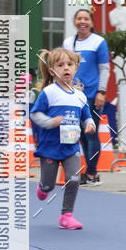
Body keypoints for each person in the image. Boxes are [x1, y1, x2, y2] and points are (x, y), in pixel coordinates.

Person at [30, 48, 96, 230]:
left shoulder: (80, 96)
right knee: (49, 186)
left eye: (69, 64)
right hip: (50, 146)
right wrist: (51, 122)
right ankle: (43, 187)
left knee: (74, 178)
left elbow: (87, 116)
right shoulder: (49, 93)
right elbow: (35, 114)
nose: (65, 68)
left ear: (75, 68)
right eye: (60, 65)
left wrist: (90, 125)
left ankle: (66, 215)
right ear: (52, 71)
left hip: (71, 146)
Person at [63, 9, 110, 186]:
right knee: (80, 135)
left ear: (91, 22)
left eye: (86, 19)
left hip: (92, 95)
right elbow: (64, 67)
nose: (82, 21)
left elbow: (104, 68)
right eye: (79, 18)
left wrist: (102, 92)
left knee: (91, 134)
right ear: (74, 21)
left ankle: (92, 173)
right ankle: (86, 171)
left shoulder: (99, 42)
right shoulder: (69, 42)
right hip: (73, 95)